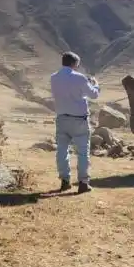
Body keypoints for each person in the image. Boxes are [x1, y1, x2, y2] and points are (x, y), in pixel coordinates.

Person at [49, 51, 100, 193]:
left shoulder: (54, 78)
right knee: (83, 152)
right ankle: (83, 182)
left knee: (62, 150)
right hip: (79, 119)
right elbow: (94, 95)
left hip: (62, 118)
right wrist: (95, 84)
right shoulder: (80, 78)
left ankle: (65, 180)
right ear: (75, 64)